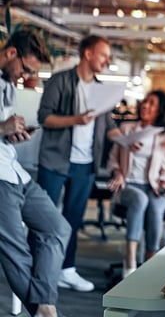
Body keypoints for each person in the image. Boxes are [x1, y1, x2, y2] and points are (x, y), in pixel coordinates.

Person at [37, 34, 122, 292]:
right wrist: (76, 119)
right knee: (44, 216)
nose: (107, 60)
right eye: (104, 54)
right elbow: (44, 118)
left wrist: (129, 140)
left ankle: (67, 269)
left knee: (73, 218)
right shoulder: (60, 81)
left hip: (85, 165)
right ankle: (39, 267)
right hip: (55, 160)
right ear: (88, 54)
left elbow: (108, 126)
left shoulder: (101, 90)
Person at [0, 29, 71, 317]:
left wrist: (11, 133)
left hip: (15, 170)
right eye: (26, 69)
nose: (25, 76)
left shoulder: (8, 85)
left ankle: (43, 307)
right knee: (17, 252)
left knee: (57, 228)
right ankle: (46, 312)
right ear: (11, 53)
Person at [107, 90, 165, 278]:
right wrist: (118, 173)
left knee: (156, 205)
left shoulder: (163, 137)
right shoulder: (126, 128)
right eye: (145, 101)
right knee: (140, 199)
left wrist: (163, 183)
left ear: (159, 111)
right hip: (128, 185)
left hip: (152, 187)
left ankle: (150, 259)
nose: (146, 106)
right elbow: (112, 160)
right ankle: (130, 260)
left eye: (152, 104)